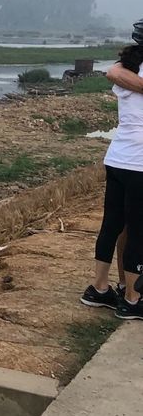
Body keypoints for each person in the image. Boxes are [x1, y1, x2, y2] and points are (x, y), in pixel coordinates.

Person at [81, 21, 143, 319]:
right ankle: (133, 298)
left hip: (118, 158)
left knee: (112, 224)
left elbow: (113, 71)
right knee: (138, 231)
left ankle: (99, 288)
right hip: (140, 163)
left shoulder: (128, 67)